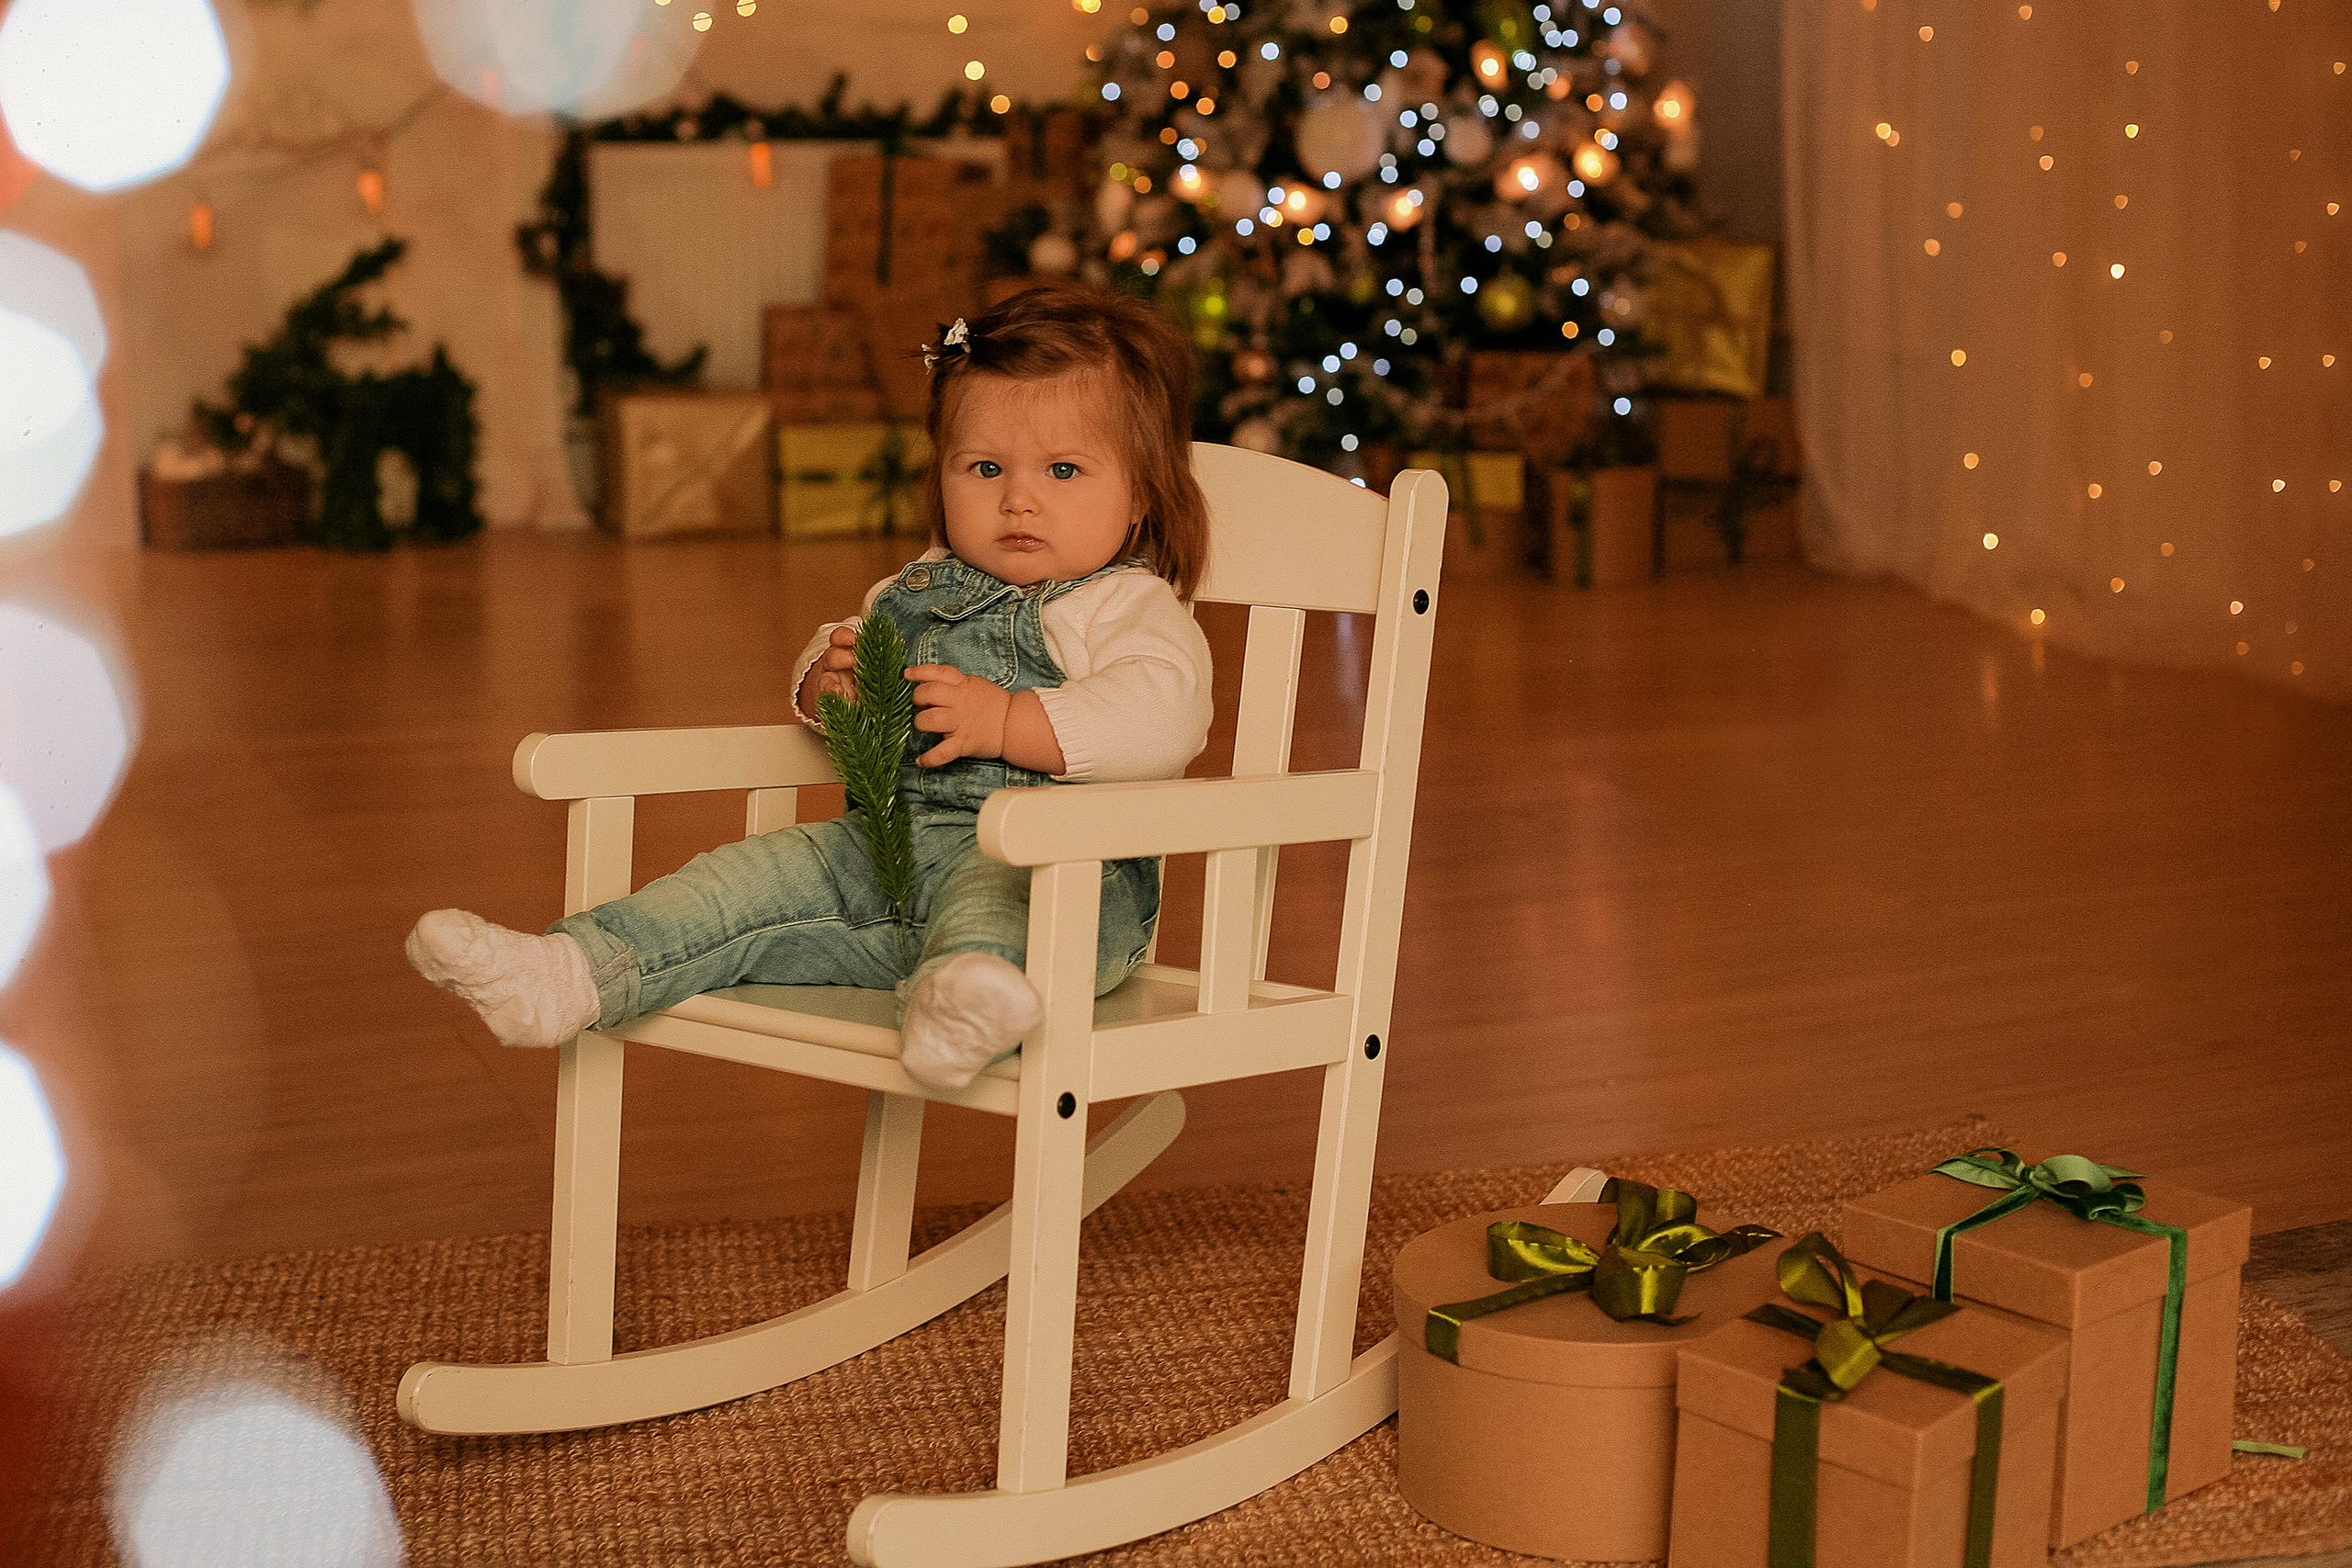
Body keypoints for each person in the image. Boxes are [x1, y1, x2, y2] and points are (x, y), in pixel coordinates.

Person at [406, 283, 1216, 1091]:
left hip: (1051, 874)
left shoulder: (1124, 603)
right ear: (942, 473)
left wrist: (1010, 719)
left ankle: (959, 1006)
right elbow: (842, 659)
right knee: (734, 883)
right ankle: (567, 971)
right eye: (986, 467)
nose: (1018, 498)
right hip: (878, 859)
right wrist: (828, 687)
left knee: (995, 910)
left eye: (1064, 469)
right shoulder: (917, 587)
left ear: (1141, 492)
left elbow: (1164, 715)